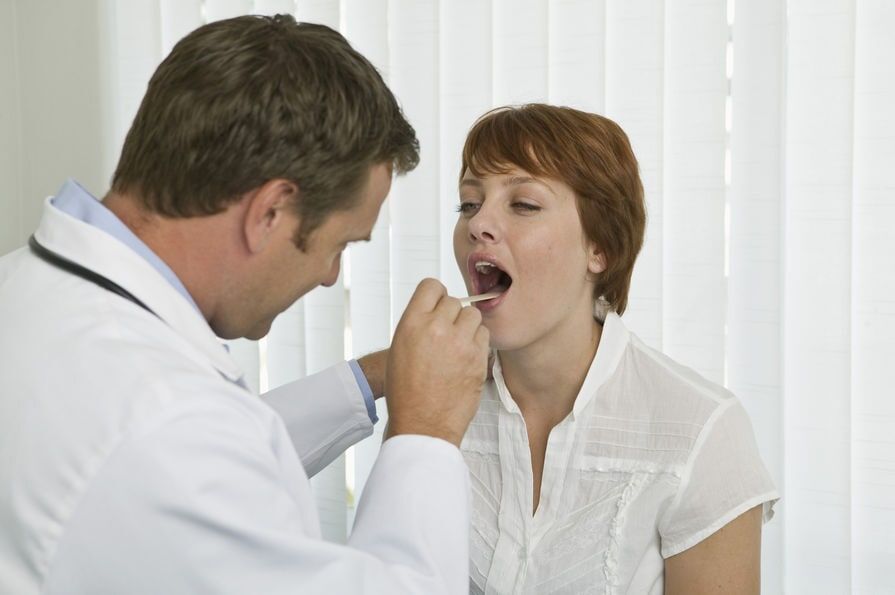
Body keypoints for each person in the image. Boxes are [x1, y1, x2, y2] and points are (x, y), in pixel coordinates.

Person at [0, 15, 489, 594]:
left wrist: (378, 376)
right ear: (270, 213)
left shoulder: (29, 288)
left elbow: (226, 451)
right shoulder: (165, 427)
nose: (332, 277)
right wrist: (426, 434)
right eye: (339, 245)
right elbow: (187, 449)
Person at [453, 104, 779, 594]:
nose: (479, 223)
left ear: (599, 248)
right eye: (469, 204)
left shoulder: (701, 432)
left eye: (523, 204)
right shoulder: (433, 404)